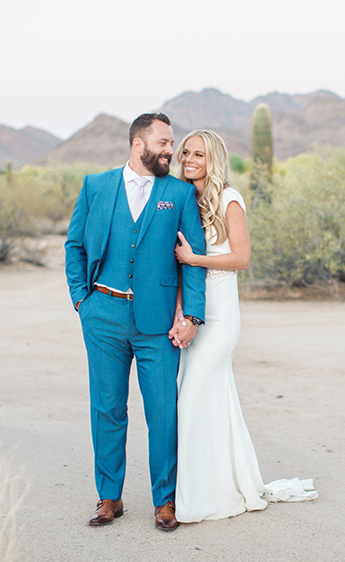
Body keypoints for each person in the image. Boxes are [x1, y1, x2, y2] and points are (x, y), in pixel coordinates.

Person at [65, 113, 207, 531]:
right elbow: (74, 243)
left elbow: (193, 259)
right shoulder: (96, 185)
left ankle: (165, 500)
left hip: (158, 321)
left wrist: (193, 314)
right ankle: (109, 496)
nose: (171, 150)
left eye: (172, 143)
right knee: (107, 408)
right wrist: (80, 300)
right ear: (138, 144)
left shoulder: (179, 194)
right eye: (163, 143)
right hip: (103, 314)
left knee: (162, 411)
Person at [170, 129, 317, 523]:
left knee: (191, 398)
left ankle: (204, 494)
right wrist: (180, 314)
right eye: (186, 152)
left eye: (198, 154)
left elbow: (241, 258)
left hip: (221, 319)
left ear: (213, 158)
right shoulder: (184, 198)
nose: (189, 159)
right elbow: (176, 267)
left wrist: (194, 260)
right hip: (194, 315)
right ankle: (216, 481)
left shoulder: (229, 199)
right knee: (210, 400)